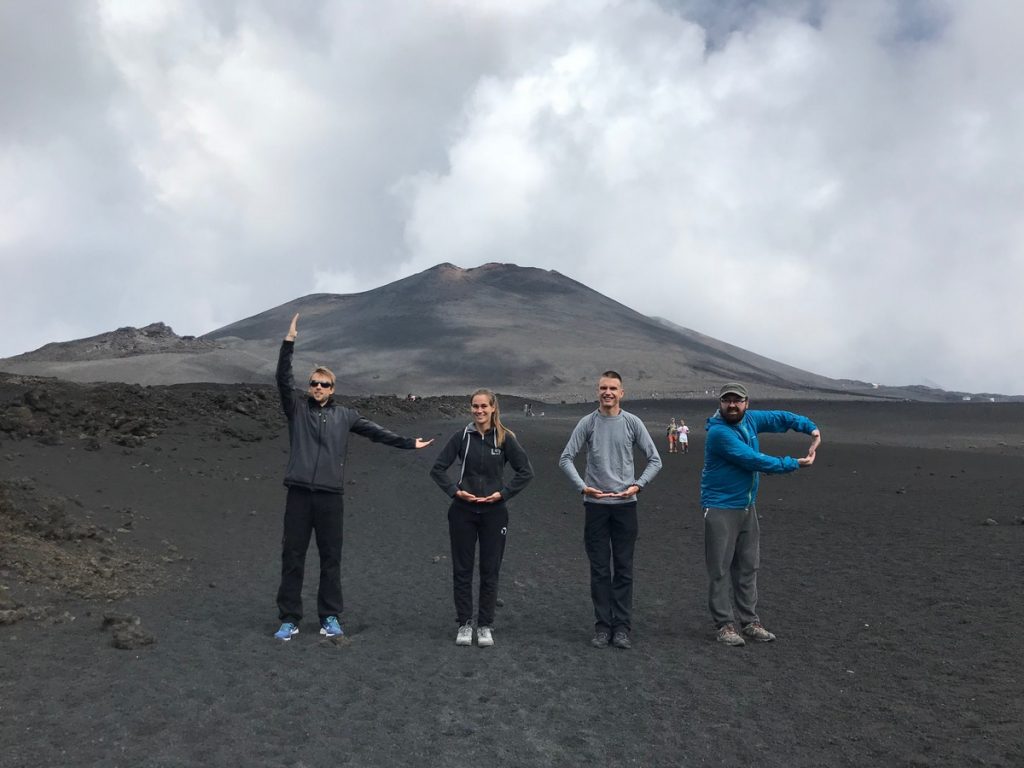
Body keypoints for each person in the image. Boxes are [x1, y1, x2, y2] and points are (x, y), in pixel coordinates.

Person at [273, 313, 434, 641]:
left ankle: (329, 617)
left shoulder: (345, 416)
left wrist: (408, 443)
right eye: (314, 383)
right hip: (300, 495)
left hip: (331, 496)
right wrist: (288, 342)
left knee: (331, 557)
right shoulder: (297, 409)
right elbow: (282, 377)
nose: (318, 388)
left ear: (333, 389)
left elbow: (376, 432)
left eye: (324, 384)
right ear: (309, 387)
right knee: (293, 556)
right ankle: (289, 618)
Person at [701, 382, 821, 647]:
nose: (732, 405)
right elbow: (752, 459)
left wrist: (810, 427)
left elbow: (781, 417)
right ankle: (724, 625)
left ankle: (750, 622)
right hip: (721, 507)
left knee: (747, 565)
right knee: (720, 567)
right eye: (727, 400)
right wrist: (793, 463)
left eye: (737, 400)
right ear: (720, 403)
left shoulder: (751, 420)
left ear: (747, 403)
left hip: (746, 506)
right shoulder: (719, 434)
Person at [559, 371, 662, 650]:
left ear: (622, 392)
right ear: (597, 391)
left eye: (613, 388)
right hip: (596, 507)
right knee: (600, 570)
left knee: (624, 569)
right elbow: (566, 458)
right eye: (603, 388)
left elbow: (655, 460)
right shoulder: (588, 423)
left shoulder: (632, 423)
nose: (608, 392)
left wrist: (638, 486)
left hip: (625, 507)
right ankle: (603, 627)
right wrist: (583, 487)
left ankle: (622, 628)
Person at [430, 390, 534, 647]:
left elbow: (525, 471)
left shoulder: (505, 438)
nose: (479, 411)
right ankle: (465, 623)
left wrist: (503, 494)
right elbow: (438, 469)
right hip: (463, 512)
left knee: (490, 570)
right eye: (475, 406)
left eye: (483, 406)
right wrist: (456, 491)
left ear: (492, 408)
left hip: (494, 513)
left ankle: (485, 625)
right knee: (462, 569)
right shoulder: (462, 437)